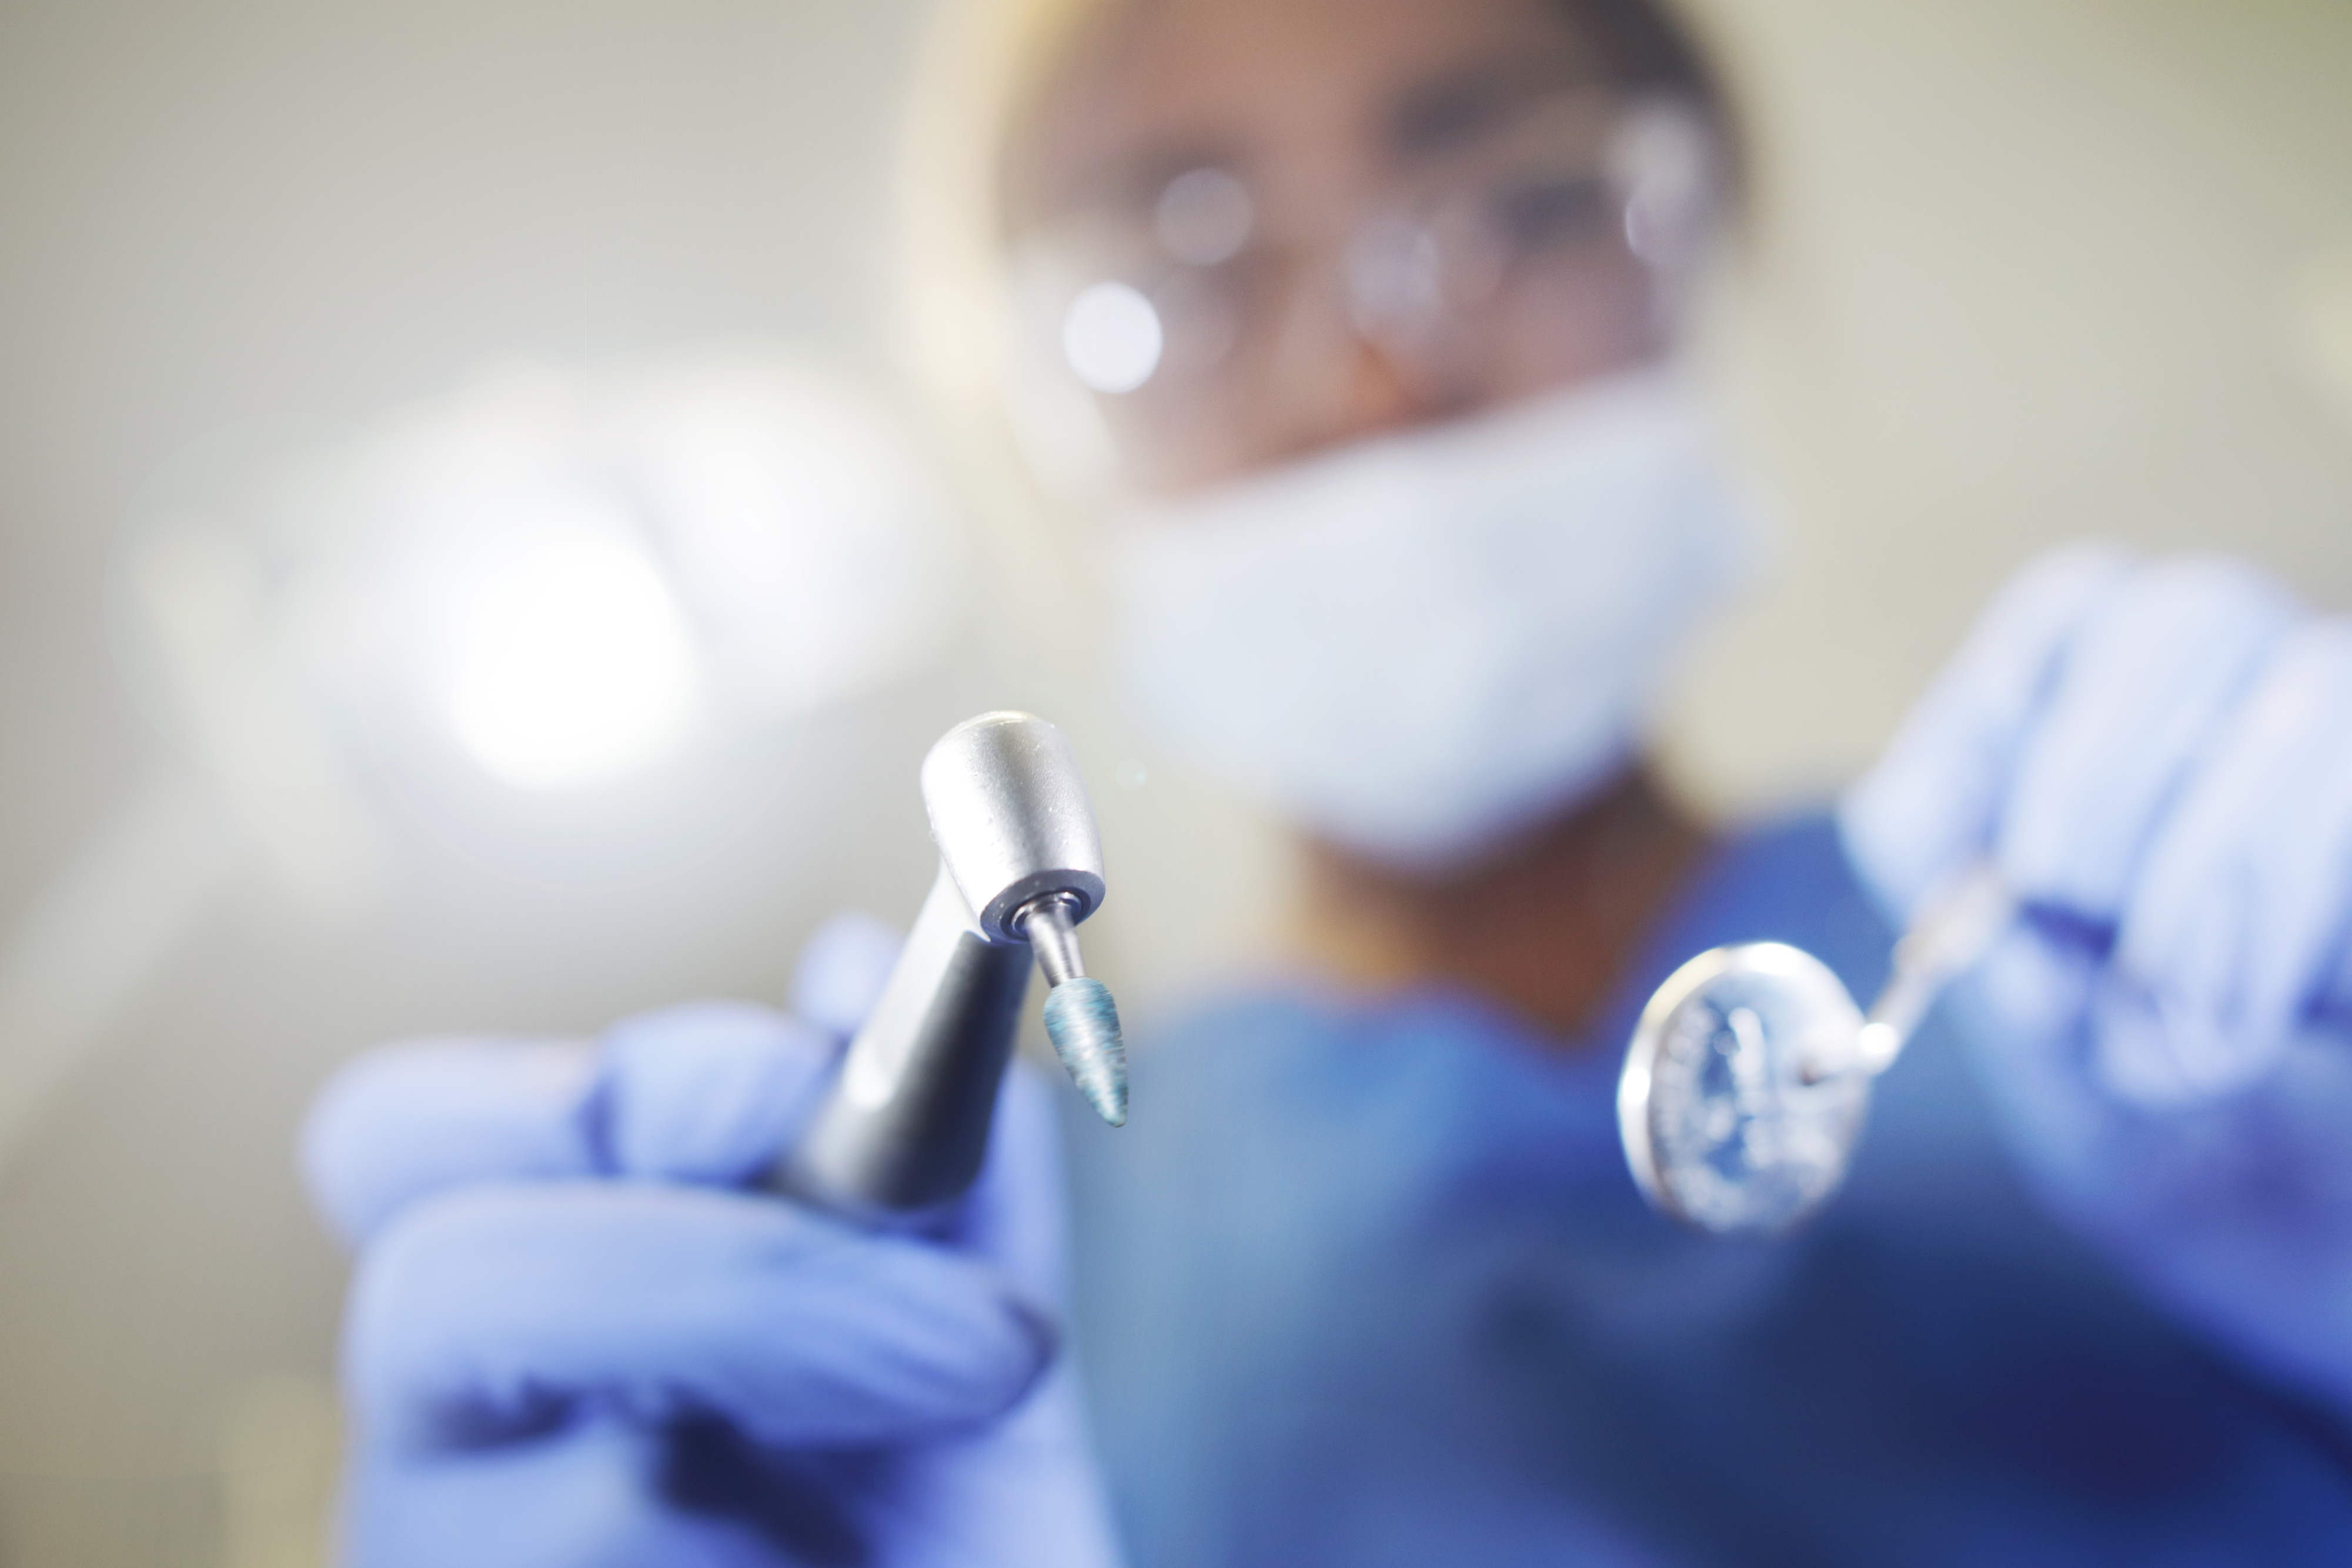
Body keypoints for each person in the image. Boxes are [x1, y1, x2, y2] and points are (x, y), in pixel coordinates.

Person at [301, 0, 2352, 1562]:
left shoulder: (2142, 948)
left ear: (1700, 245)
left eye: (1524, 200)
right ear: (1033, 439)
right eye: (1179, 276)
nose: (1376, 368)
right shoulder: (985, 1246)